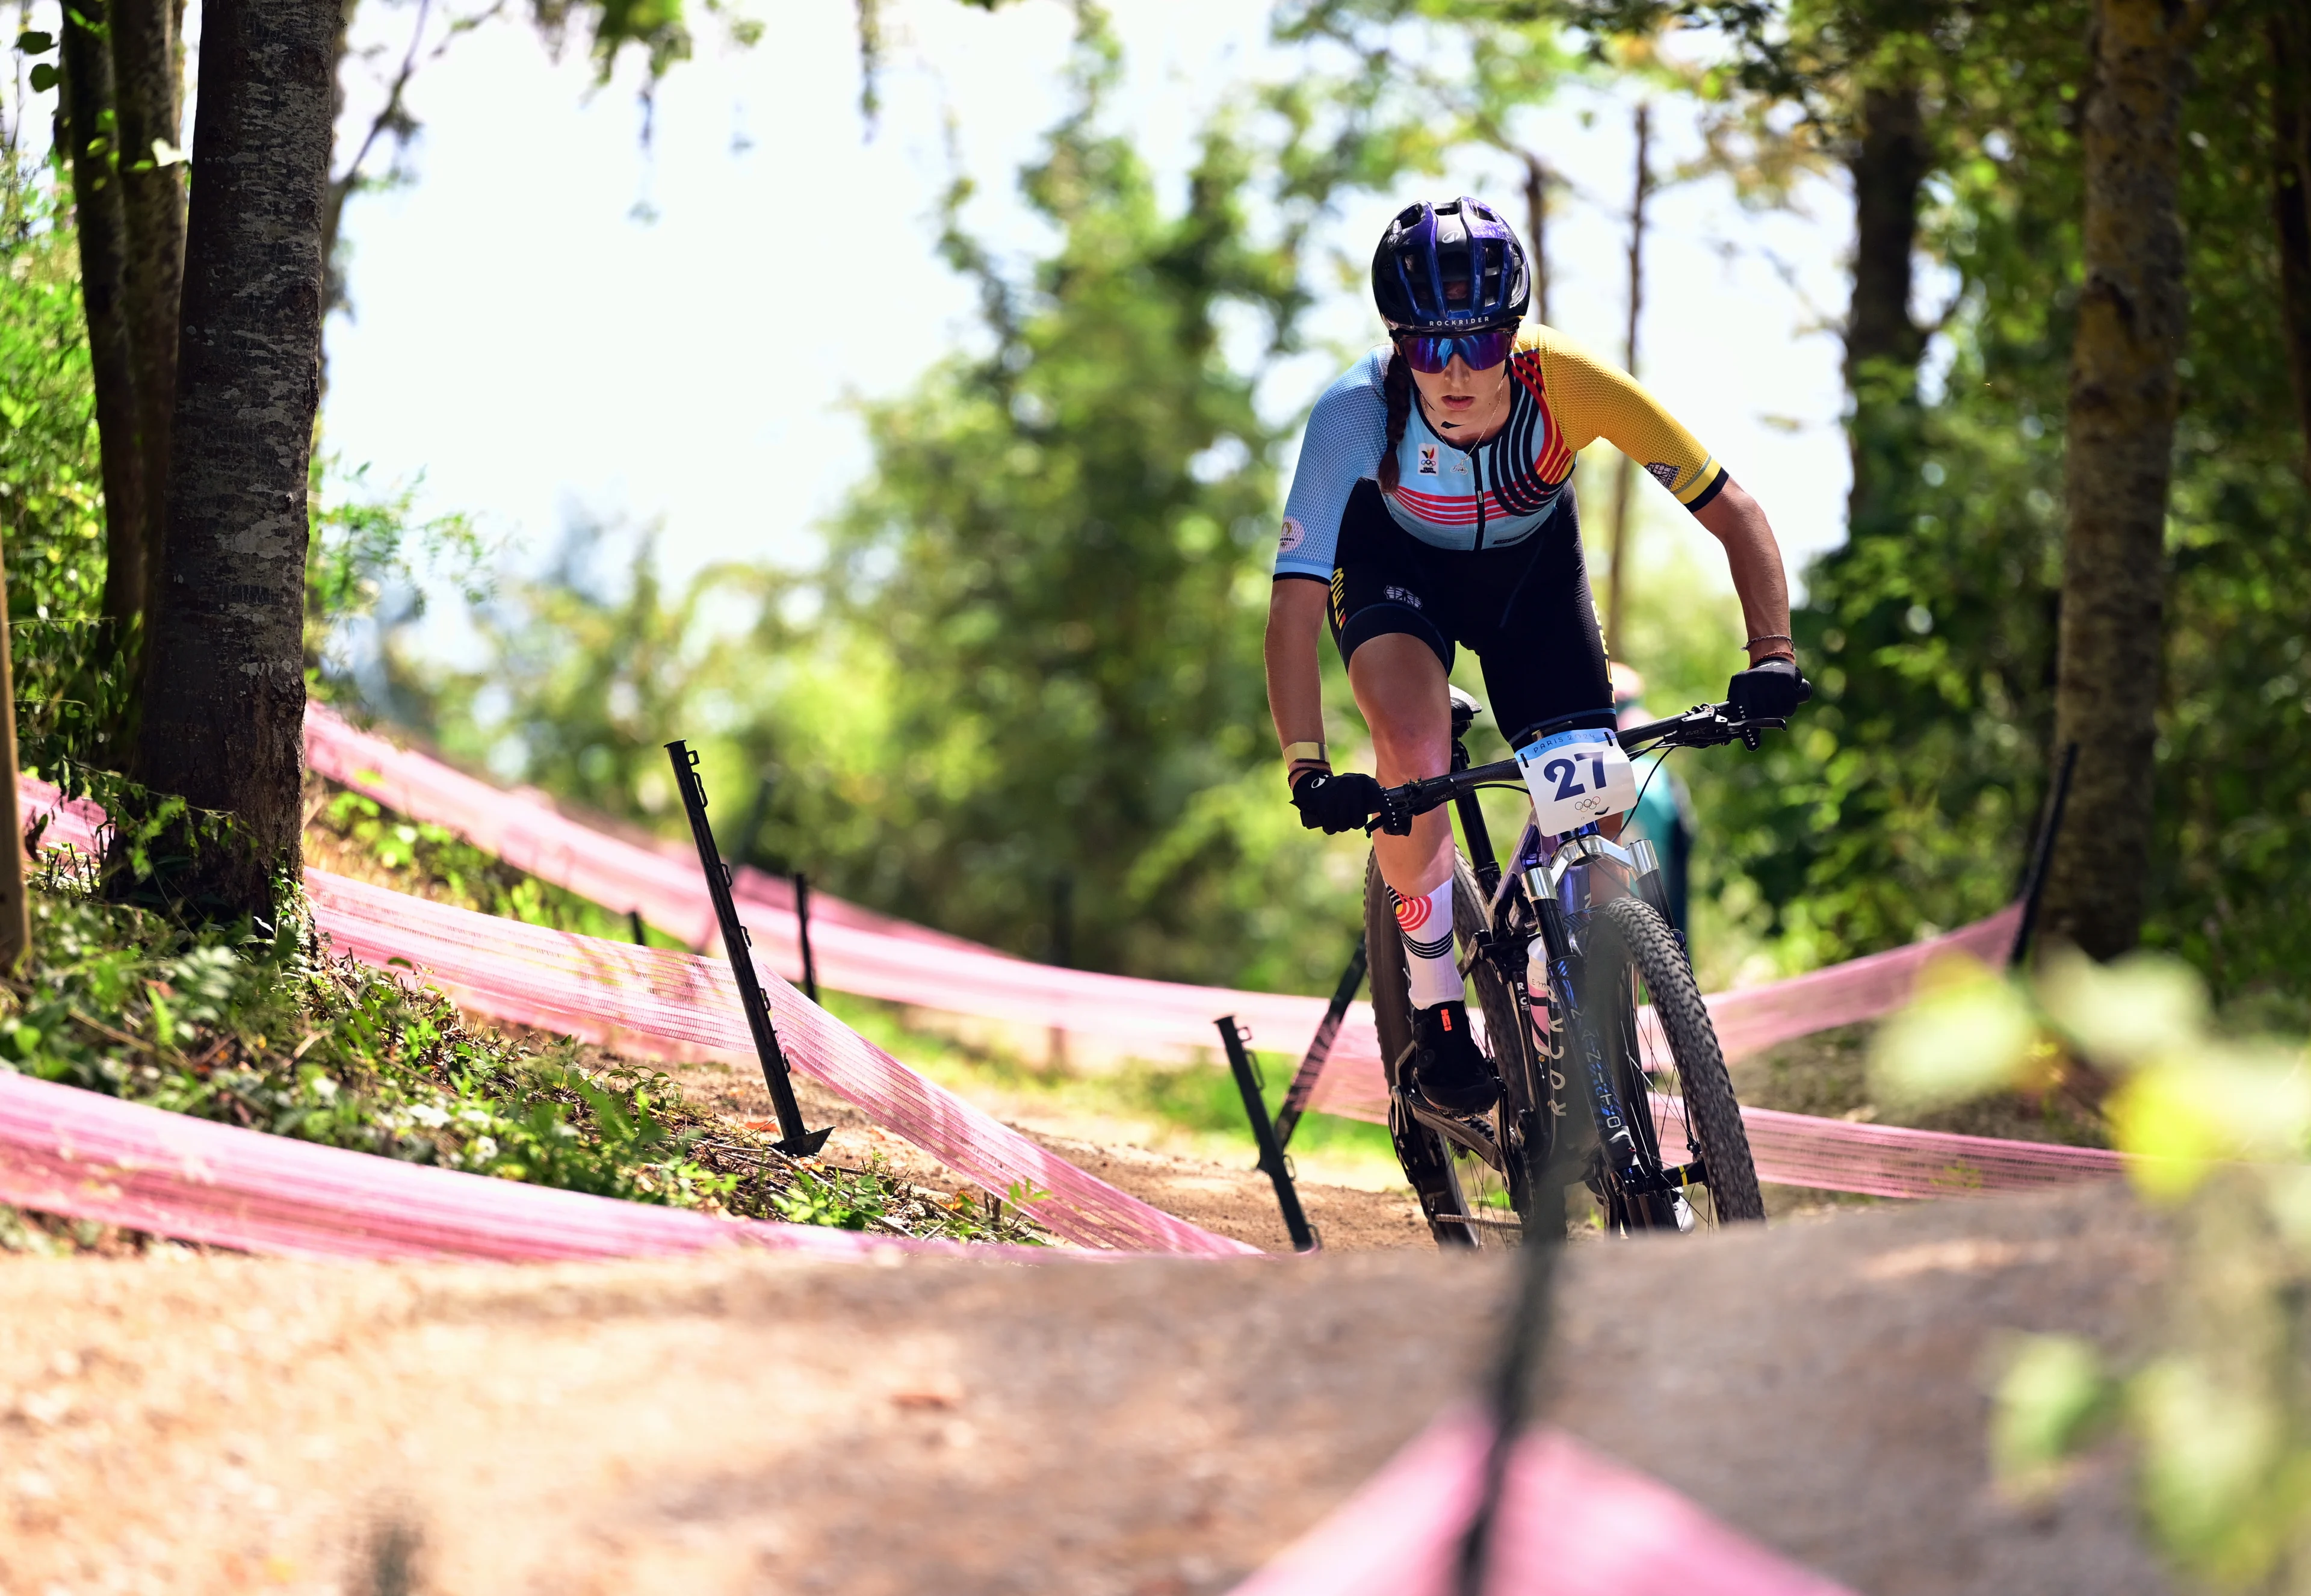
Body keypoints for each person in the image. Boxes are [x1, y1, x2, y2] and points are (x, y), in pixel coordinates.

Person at [1263, 197, 1805, 1116]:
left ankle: (1577, 1017)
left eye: (1478, 343)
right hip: (1397, 575)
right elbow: (1292, 611)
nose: (1456, 371)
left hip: (1530, 581)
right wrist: (1308, 767)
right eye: (1429, 347)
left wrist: (1772, 657)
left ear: (1513, 335)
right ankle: (1437, 1008)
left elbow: (1734, 511)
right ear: (1398, 342)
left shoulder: (1572, 384)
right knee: (1417, 749)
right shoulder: (1355, 413)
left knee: (1594, 803)